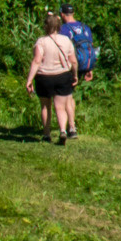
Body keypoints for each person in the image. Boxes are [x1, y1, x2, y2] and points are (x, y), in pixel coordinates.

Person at [27, 12, 80, 143]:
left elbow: (37, 60)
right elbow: (73, 61)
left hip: (44, 77)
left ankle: (46, 134)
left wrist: (29, 80)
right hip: (62, 76)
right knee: (60, 106)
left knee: (45, 106)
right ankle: (63, 130)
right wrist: (75, 75)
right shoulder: (66, 40)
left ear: (46, 26)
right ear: (59, 26)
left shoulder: (41, 41)